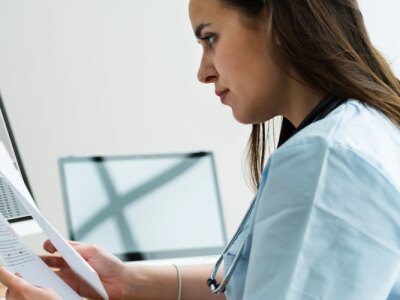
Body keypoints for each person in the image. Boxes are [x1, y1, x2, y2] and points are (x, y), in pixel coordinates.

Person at [0, 0, 399, 299]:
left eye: (210, 38)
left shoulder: (325, 160)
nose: (203, 71)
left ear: (277, 21)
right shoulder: (360, 129)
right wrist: (129, 281)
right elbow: (261, 279)